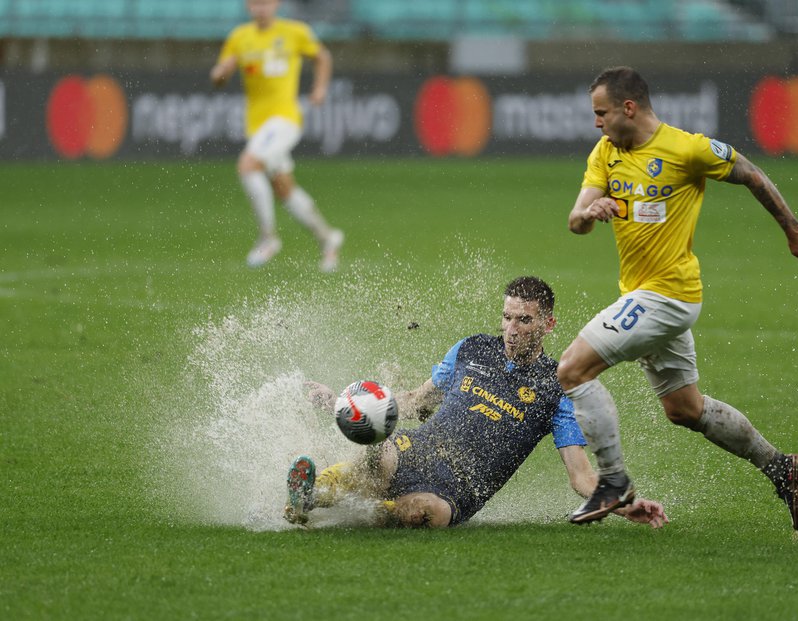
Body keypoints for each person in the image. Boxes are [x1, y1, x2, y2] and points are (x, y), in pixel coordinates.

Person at [556, 66, 798, 530]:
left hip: (669, 296)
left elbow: (753, 175)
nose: (596, 122)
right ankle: (781, 466)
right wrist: (588, 211)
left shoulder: (687, 149)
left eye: (601, 113)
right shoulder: (606, 152)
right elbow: (575, 221)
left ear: (628, 108)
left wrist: (793, 230)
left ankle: (613, 480)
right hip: (644, 295)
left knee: (572, 370)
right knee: (684, 409)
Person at [284, 276, 669, 529]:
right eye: (507, 318)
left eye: (524, 321)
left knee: (423, 512)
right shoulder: (472, 349)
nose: (511, 331)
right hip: (416, 451)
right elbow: (417, 402)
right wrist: (342, 402)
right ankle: (310, 496)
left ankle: (353, 513)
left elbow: (581, 477)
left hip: (457, 490)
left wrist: (623, 506)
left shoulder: (558, 388)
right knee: (375, 453)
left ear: (548, 324)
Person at [210, 0, 343, 271]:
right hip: (258, 127)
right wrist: (220, 73)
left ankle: (268, 239)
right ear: (248, 6)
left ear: (276, 4)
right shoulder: (240, 37)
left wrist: (319, 89)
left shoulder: (294, 32)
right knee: (283, 187)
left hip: (284, 120)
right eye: (256, 3)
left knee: (248, 165)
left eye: (266, 2)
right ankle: (328, 239)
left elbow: (322, 57)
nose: (261, 8)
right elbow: (221, 74)